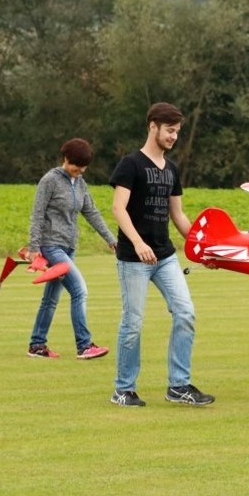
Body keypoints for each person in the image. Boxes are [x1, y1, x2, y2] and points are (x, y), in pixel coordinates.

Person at [109, 102, 214, 408]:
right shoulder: (130, 165)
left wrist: (203, 249)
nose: (173, 137)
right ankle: (123, 389)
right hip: (134, 259)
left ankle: (179, 386)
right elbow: (118, 208)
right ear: (152, 126)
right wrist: (139, 243)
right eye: (169, 130)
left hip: (165, 257)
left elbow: (179, 217)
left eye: (177, 132)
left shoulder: (171, 171)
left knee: (185, 313)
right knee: (133, 322)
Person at [26, 137, 116, 360]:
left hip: (69, 247)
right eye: (77, 166)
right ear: (66, 159)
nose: (80, 171)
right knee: (79, 291)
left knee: (51, 299)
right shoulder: (50, 181)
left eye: (84, 167)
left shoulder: (81, 183)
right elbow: (37, 214)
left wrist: (111, 240)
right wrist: (34, 248)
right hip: (51, 246)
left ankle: (37, 345)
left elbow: (92, 213)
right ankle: (84, 346)